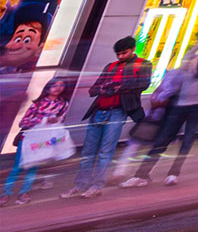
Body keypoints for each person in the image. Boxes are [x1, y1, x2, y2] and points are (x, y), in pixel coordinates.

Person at [127, 36, 198, 186]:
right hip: (181, 103)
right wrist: (197, 47)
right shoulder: (194, 57)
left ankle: (173, 173)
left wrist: (195, 72)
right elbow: (183, 65)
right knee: (163, 138)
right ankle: (142, 175)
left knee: (188, 140)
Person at [71, 36, 148, 197]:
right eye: (118, 54)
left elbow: (143, 84)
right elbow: (93, 89)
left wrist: (120, 87)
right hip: (99, 109)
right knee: (88, 151)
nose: (120, 57)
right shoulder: (111, 66)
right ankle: (81, 185)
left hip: (118, 111)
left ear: (133, 49)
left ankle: (97, 186)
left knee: (106, 151)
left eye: (124, 53)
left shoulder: (142, 64)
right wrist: (103, 88)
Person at [2, 75, 69, 204]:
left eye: (61, 85)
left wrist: (55, 121)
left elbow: (62, 120)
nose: (58, 88)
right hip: (29, 138)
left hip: (45, 140)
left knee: (33, 167)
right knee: (18, 166)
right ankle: (6, 193)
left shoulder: (63, 104)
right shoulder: (38, 103)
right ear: (48, 87)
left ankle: (24, 192)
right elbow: (23, 122)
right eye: (55, 85)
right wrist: (43, 120)